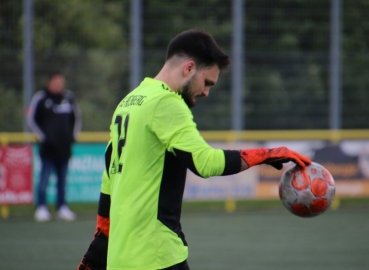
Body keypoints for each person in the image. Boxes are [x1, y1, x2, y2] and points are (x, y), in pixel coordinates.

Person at [78, 29, 311, 270]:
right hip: (156, 256)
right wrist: (265, 155)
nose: (207, 92)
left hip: (121, 260)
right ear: (189, 68)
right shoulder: (167, 102)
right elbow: (205, 162)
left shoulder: (129, 102)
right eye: (207, 82)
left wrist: (100, 244)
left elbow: (109, 179)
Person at [27, 73, 82, 222]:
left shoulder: (69, 97)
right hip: (48, 149)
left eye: (61, 82)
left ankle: (61, 207)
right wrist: (43, 138)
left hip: (64, 148)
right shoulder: (41, 98)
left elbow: (77, 118)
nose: (59, 85)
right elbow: (31, 120)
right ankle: (41, 207)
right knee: (44, 178)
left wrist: (72, 136)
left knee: (62, 179)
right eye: (56, 82)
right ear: (49, 82)